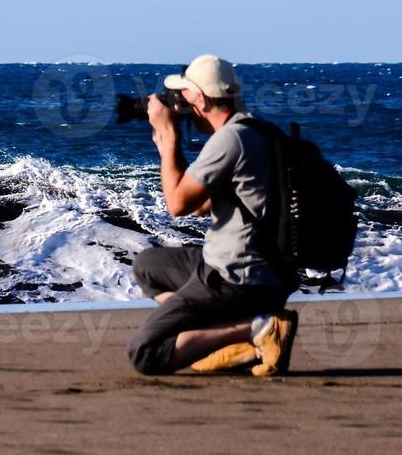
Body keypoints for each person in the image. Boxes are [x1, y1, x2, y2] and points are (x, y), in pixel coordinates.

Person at [126, 55, 299, 377]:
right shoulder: (257, 130)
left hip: (235, 277)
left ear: (201, 99)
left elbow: (178, 205)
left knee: (145, 353)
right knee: (148, 266)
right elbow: (202, 205)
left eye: (186, 97)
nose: (182, 105)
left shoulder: (229, 139)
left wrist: (167, 138)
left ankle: (254, 328)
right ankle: (232, 338)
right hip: (270, 274)